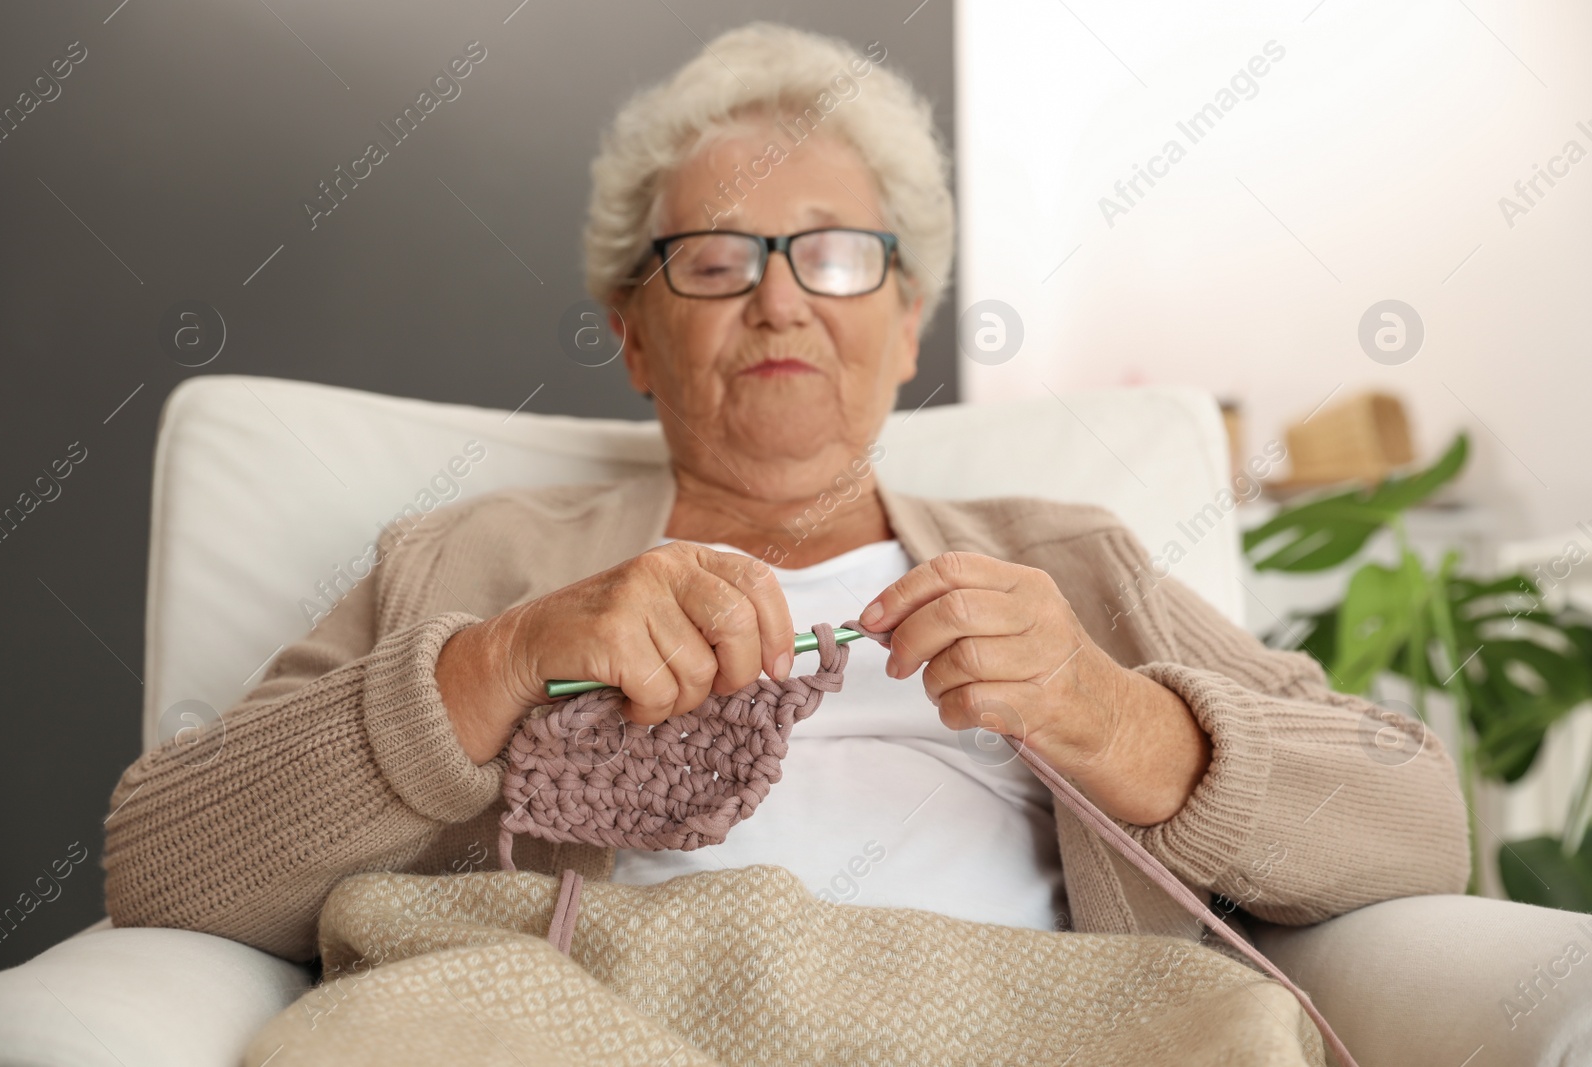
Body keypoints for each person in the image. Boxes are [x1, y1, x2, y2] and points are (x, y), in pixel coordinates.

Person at [102, 21, 1467, 969]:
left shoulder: (1074, 562)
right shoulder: (476, 560)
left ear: (907, 322)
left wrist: (1119, 718)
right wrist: (499, 664)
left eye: (832, 254)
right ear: (635, 333)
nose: (775, 298)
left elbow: (1422, 825)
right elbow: (164, 864)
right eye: (713, 259)